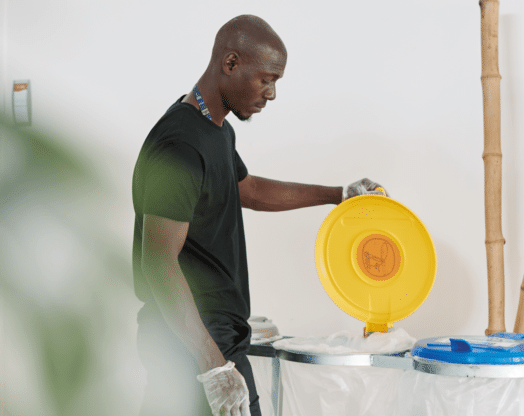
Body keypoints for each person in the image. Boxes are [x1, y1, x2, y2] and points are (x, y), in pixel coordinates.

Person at [132, 15, 386, 416]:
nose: (270, 94)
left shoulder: (214, 129)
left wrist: (340, 196)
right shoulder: (180, 144)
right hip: (189, 342)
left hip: (214, 336)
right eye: (266, 79)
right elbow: (159, 262)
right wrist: (213, 367)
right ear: (231, 63)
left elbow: (246, 188)